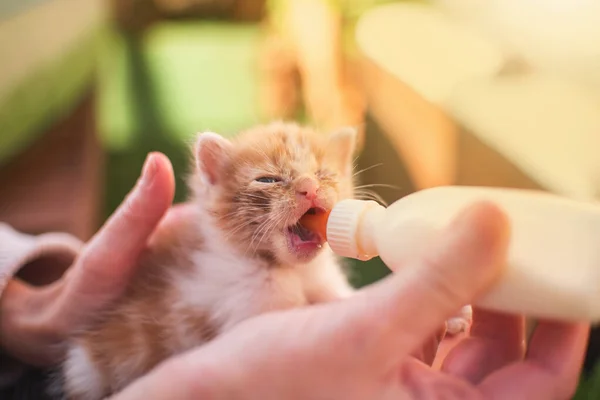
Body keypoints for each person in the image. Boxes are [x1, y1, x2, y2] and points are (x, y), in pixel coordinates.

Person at [0, 153, 589, 399]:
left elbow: (341, 314)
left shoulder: (298, 266)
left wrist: (27, 309)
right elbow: (339, 322)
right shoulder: (234, 276)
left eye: (316, 176)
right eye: (268, 182)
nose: (308, 190)